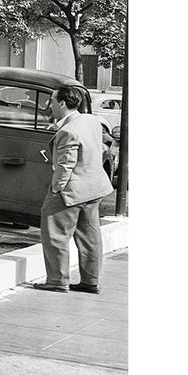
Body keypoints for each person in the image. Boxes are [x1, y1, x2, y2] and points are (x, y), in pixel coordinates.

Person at [31, 83, 113, 293]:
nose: (49, 105)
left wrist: (56, 189)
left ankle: (57, 281)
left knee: (54, 235)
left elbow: (65, 165)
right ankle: (90, 281)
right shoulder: (90, 121)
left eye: (52, 100)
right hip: (94, 188)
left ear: (63, 103)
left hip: (71, 191)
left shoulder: (68, 131)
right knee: (90, 237)